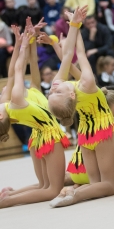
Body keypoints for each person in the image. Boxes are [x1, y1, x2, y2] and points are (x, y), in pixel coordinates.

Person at [47, 6, 114, 208]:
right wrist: (75, 25)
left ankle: (77, 191)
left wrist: (74, 25)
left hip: (84, 133)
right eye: (56, 92)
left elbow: (67, 56)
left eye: (51, 93)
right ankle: (75, 194)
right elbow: (79, 53)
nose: (53, 89)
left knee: (97, 183)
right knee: (109, 185)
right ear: (70, 95)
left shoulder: (65, 87)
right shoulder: (86, 84)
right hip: (102, 129)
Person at [0, 23, 69, 208]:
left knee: (44, 185)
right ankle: (8, 201)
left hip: (37, 137)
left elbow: (24, 67)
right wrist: (22, 44)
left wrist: (26, 40)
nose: (2, 92)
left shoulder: (7, 104)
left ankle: (10, 194)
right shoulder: (15, 99)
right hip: (48, 136)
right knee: (53, 189)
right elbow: (17, 71)